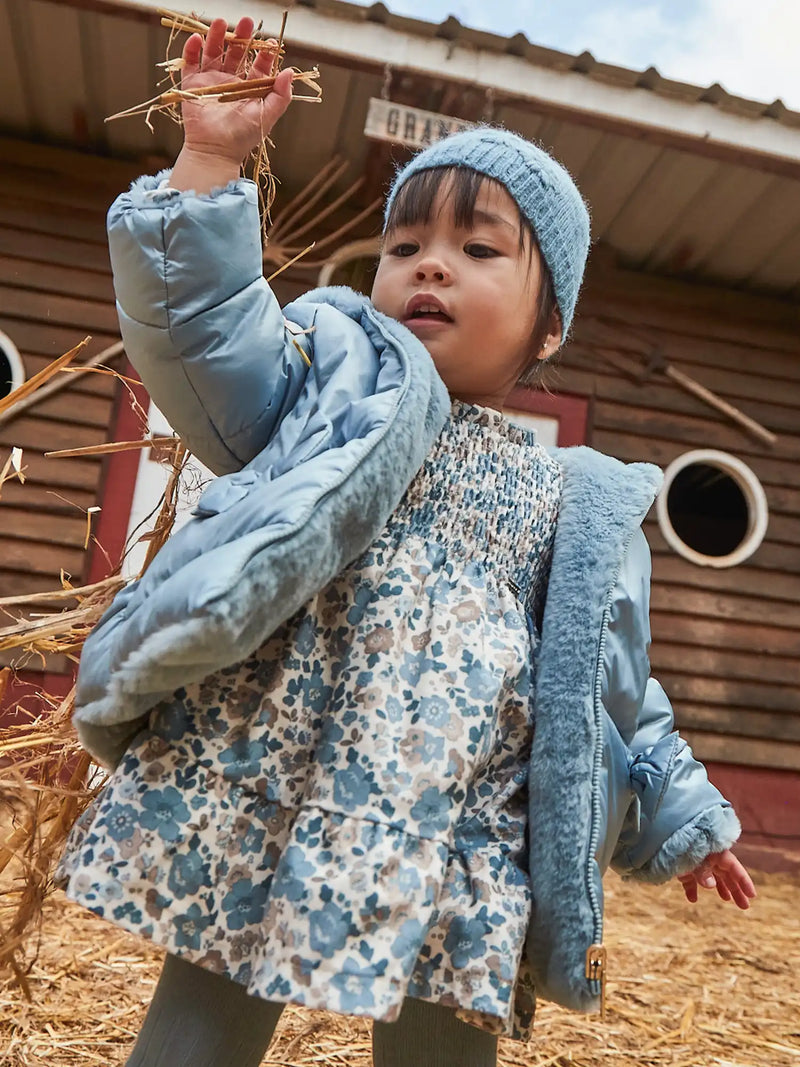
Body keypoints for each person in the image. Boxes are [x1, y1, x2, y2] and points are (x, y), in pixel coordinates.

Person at [56, 16, 756, 1067]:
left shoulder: (576, 500)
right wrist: (207, 162)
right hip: (273, 765)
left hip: (456, 817)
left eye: (477, 250)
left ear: (546, 323)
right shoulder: (328, 386)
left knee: (444, 1023)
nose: (430, 267)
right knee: (207, 994)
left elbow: (610, 685)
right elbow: (207, 334)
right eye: (404, 246)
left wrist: (686, 809)